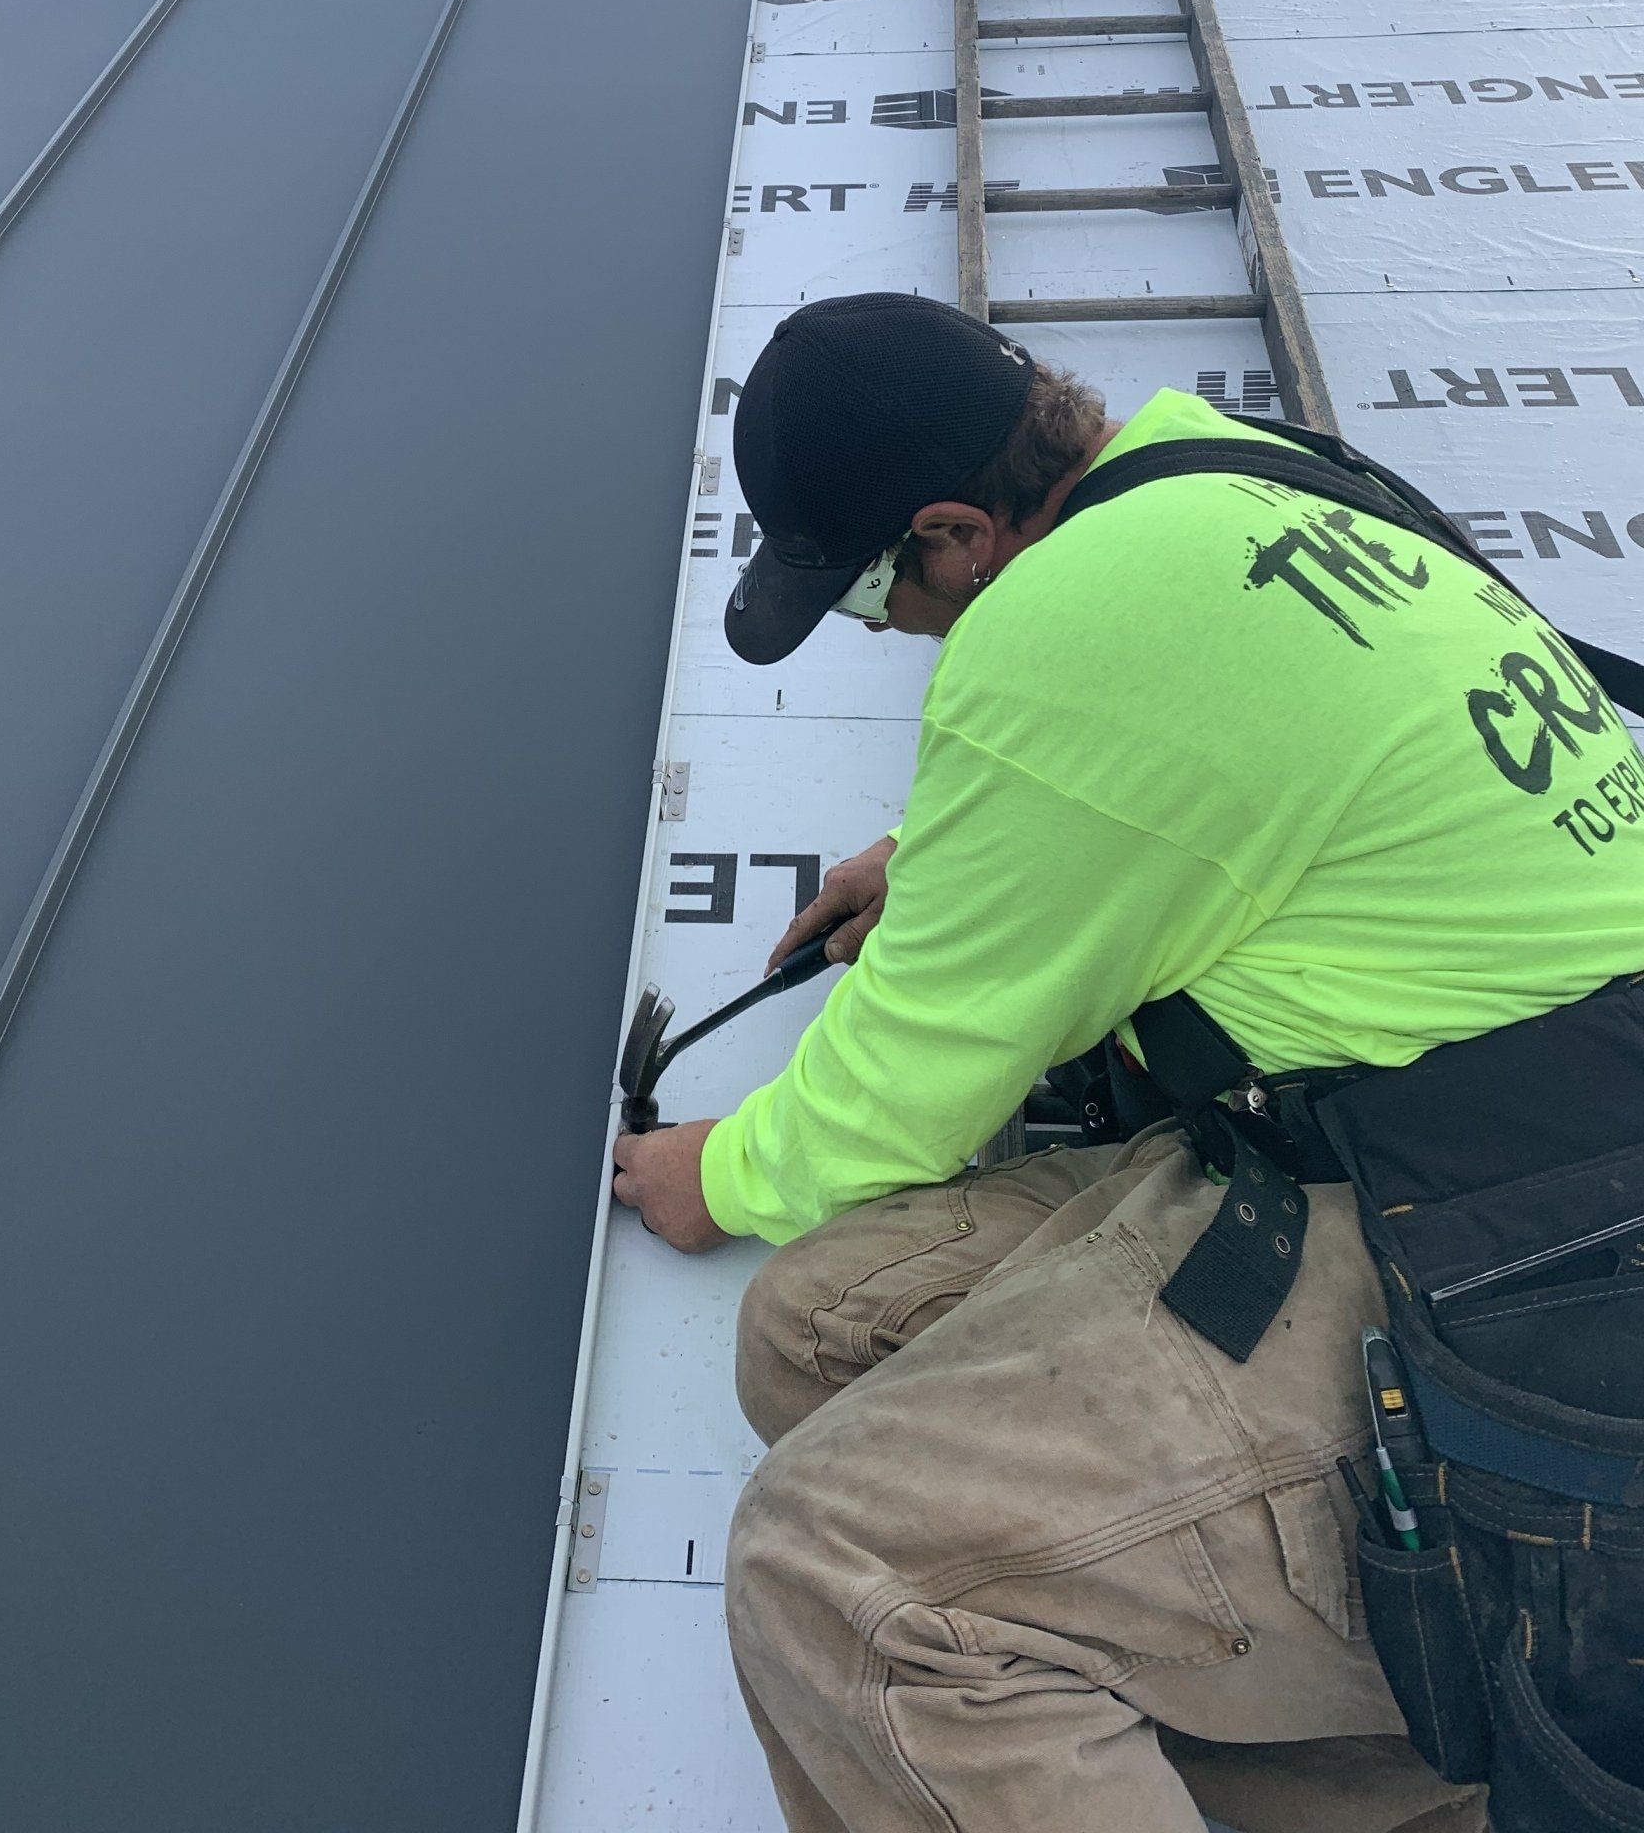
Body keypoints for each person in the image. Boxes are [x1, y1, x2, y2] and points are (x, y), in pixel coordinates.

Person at [610, 291, 1644, 1832]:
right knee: (815, 1334)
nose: (878, 624)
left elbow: (900, 1099)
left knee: (843, 1575)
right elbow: (1245, 753)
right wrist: (959, 861)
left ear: (956, 534)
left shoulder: (1059, 628)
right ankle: (1385, 1790)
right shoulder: (1233, 473)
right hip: (1429, 1138)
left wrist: (715, 1174)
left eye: (870, 587)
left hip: (1530, 1258)